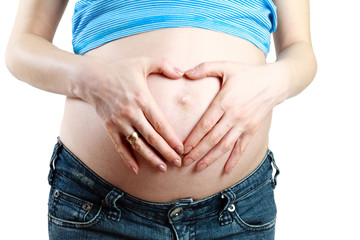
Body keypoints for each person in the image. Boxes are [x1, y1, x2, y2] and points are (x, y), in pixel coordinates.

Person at [5, 0, 316, 239]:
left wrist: (273, 82)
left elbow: (300, 50)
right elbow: (23, 46)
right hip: (97, 206)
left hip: (235, 210)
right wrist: (90, 79)